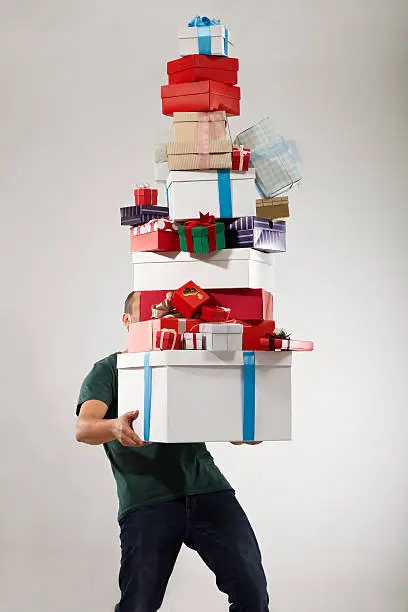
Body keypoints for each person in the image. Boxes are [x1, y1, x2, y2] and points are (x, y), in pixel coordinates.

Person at [76, 291, 269, 612]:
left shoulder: (179, 362)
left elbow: (214, 419)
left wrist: (244, 431)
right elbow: (84, 428)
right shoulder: (109, 370)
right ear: (126, 321)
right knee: (139, 605)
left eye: (160, 315)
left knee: (252, 594)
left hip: (208, 490)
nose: (155, 322)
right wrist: (115, 427)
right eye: (145, 315)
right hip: (148, 500)